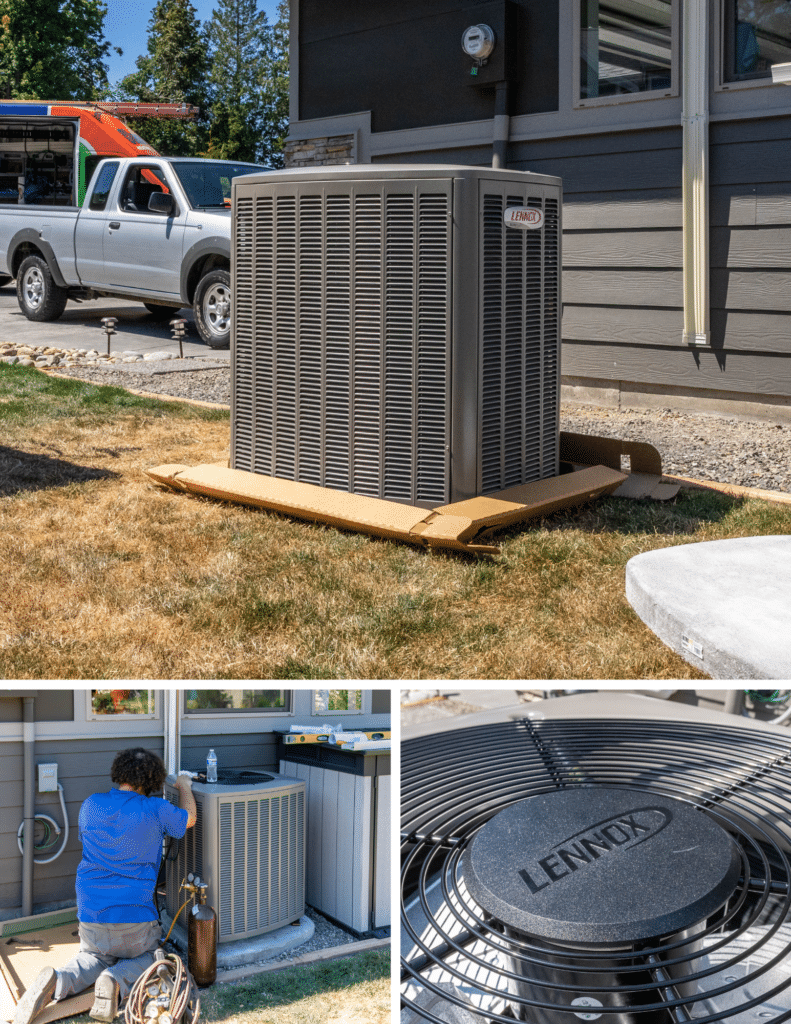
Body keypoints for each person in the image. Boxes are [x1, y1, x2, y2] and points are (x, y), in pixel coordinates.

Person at [13, 749, 196, 1024]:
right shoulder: (155, 809)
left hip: (91, 916)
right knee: (151, 956)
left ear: (119, 774)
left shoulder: (91, 805)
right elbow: (188, 818)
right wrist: (184, 785)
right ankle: (115, 980)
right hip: (135, 921)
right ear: (152, 781)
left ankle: (59, 980)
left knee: (93, 958)